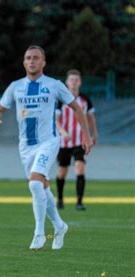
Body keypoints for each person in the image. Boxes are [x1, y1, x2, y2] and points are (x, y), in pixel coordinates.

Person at [0, 46, 93, 251]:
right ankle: (59, 226)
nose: (32, 61)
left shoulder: (54, 85)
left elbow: (77, 108)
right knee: (42, 186)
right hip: (26, 146)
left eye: (36, 58)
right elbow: (1, 107)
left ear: (44, 62)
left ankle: (39, 233)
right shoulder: (15, 86)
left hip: (49, 142)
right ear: (24, 62)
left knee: (35, 185)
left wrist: (87, 136)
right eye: (28, 58)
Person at [55, 69, 98, 211]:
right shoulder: (61, 100)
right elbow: (56, 120)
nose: (73, 82)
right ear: (67, 82)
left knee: (80, 168)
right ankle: (60, 199)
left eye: (76, 80)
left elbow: (91, 118)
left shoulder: (85, 99)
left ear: (80, 82)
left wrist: (94, 134)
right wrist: (62, 131)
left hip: (80, 141)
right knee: (62, 171)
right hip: (64, 142)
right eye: (71, 80)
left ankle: (79, 202)